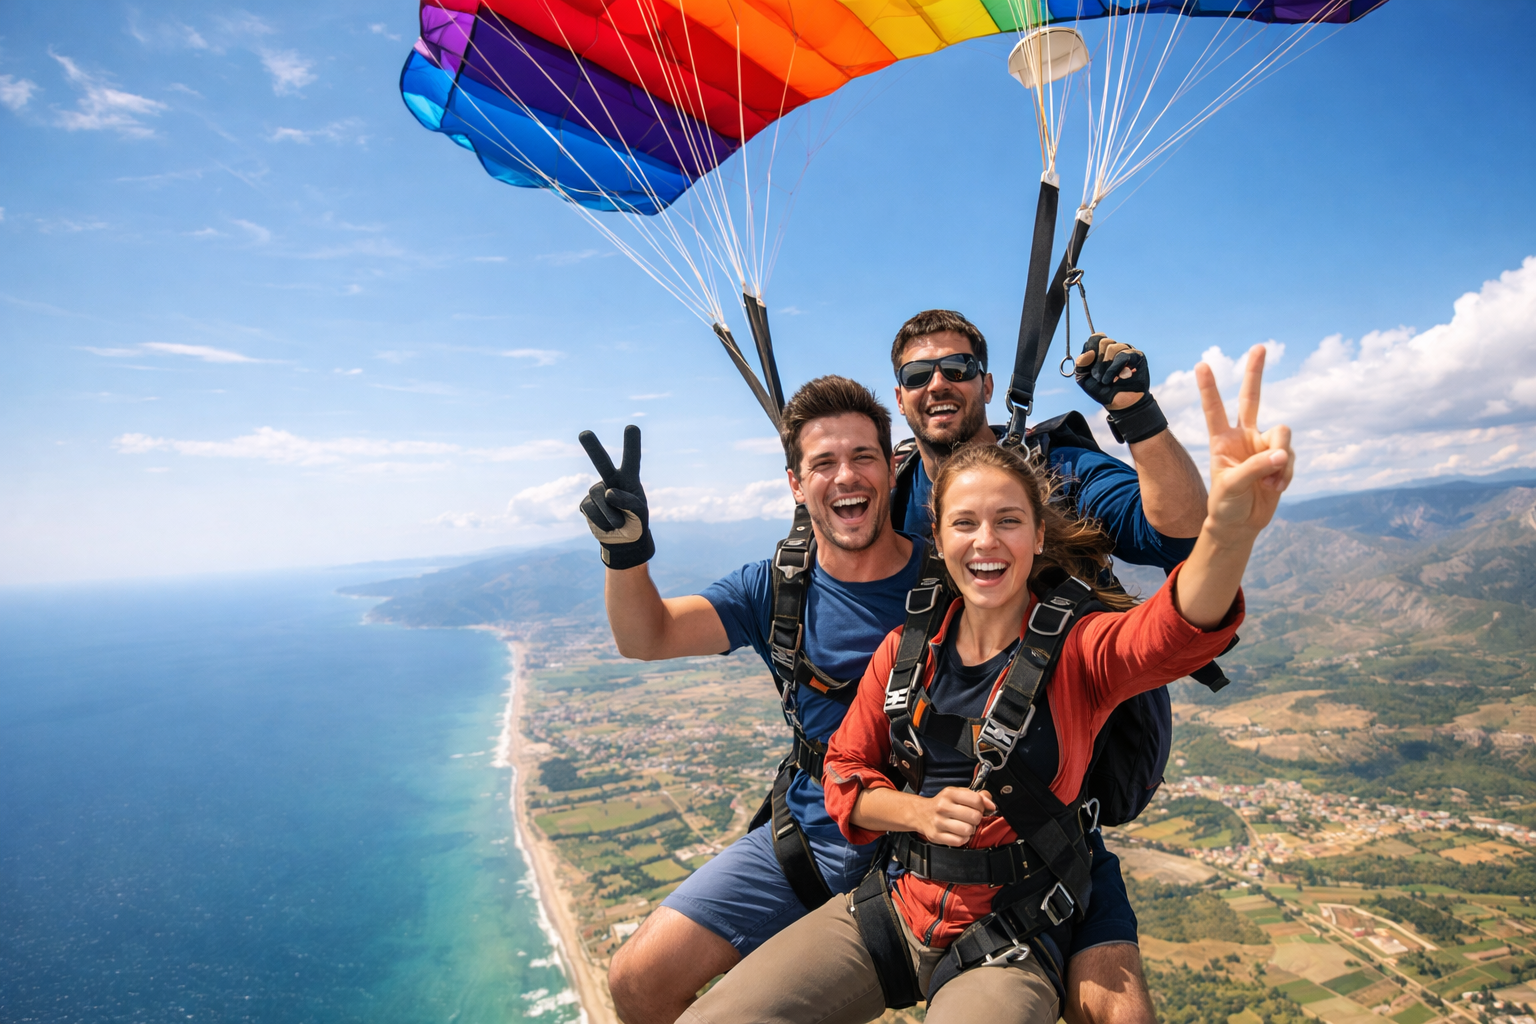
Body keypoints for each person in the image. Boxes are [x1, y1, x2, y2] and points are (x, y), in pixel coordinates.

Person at [577, 352, 1204, 1022]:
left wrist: (1141, 427)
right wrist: (626, 554)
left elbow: (1168, 557)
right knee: (637, 979)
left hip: (989, 841)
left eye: (863, 457)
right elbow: (647, 637)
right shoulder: (776, 589)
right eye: (823, 463)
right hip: (830, 829)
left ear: (894, 467)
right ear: (795, 482)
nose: (845, 476)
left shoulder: (968, 568)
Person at [888, 309, 1209, 1021]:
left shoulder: (1051, 466)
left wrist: (1136, 412)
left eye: (958, 368)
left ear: (987, 382)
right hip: (935, 807)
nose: (938, 383)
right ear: (900, 396)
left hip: (1059, 802)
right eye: (918, 374)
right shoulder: (895, 493)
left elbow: (1175, 530)